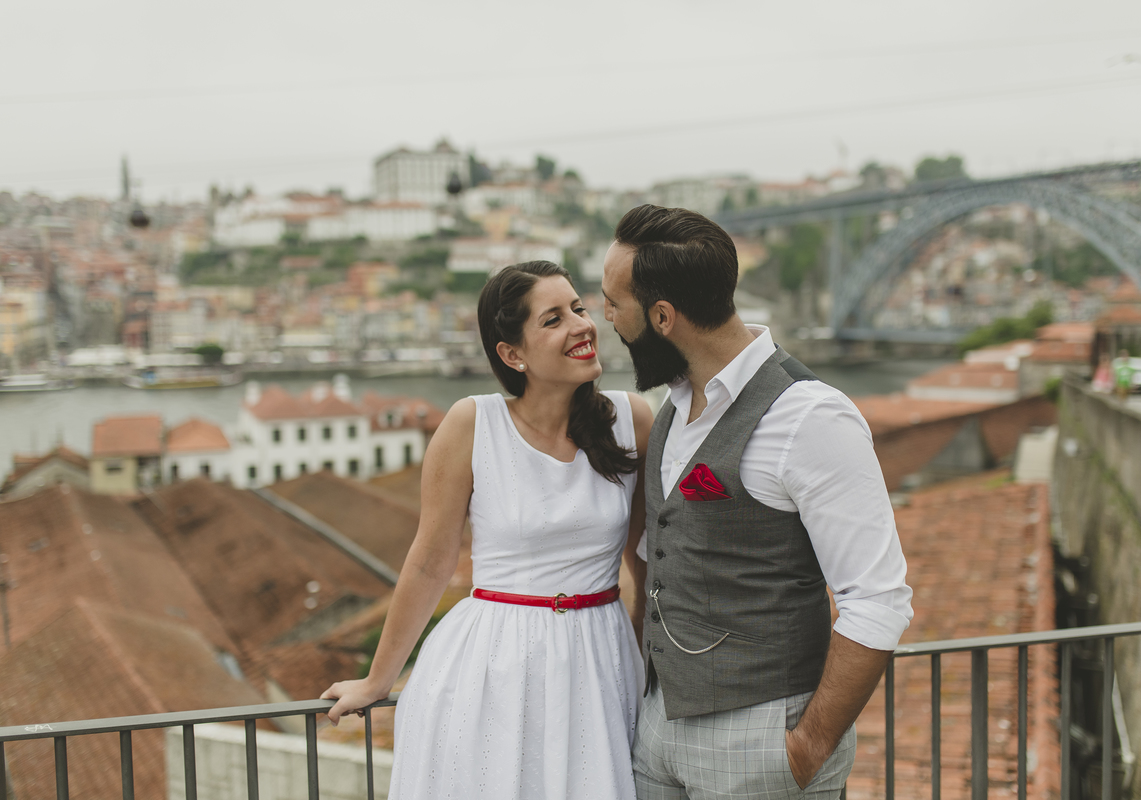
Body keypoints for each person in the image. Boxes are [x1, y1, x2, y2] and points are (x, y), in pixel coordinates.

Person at [600, 205, 914, 800]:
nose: (607, 318)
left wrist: (806, 749)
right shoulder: (674, 406)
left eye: (614, 303)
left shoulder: (810, 417)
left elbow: (878, 600)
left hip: (761, 740)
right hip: (656, 729)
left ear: (663, 317)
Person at [322, 260, 653, 799]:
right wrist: (378, 679)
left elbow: (644, 563)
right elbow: (430, 562)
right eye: (553, 319)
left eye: (578, 308)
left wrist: (642, 668)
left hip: (601, 661)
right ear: (512, 354)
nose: (581, 326)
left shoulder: (632, 419)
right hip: (492, 666)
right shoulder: (472, 424)